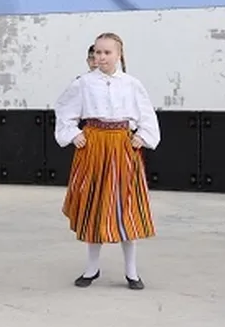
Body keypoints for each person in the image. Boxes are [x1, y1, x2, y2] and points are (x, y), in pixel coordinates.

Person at [53, 32, 160, 291]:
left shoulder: (132, 84)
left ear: (119, 54)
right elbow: (64, 110)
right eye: (98, 52)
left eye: (107, 52)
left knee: (126, 206)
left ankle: (131, 270)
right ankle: (92, 267)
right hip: (94, 145)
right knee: (95, 204)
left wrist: (142, 137)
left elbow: (146, 113)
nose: (101, 57)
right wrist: (74, 134)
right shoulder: (83, 83)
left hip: (123, 146)